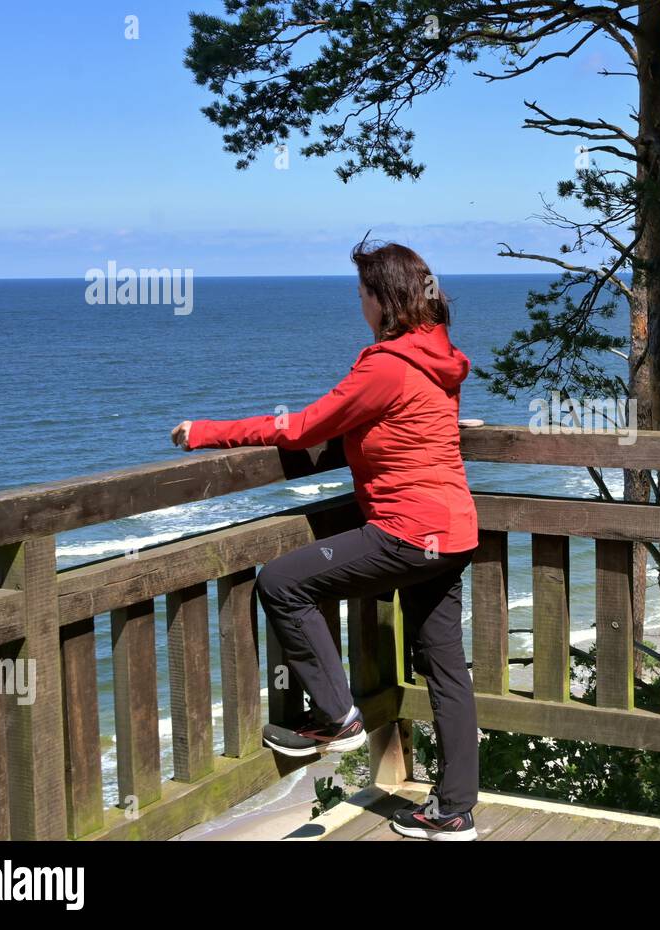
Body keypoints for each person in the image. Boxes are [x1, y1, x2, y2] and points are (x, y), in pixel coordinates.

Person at [171, 239, 482, 841]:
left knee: (282, 581)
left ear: (383, 300)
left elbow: (304, 427)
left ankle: (339, 718)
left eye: (362, 293)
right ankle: (455, 813)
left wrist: (207, 431)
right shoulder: (439, 355)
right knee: (445, 668)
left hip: (407, 533)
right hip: (453, 531)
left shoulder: (386, 363)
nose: (358, 304)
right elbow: (405, 424)